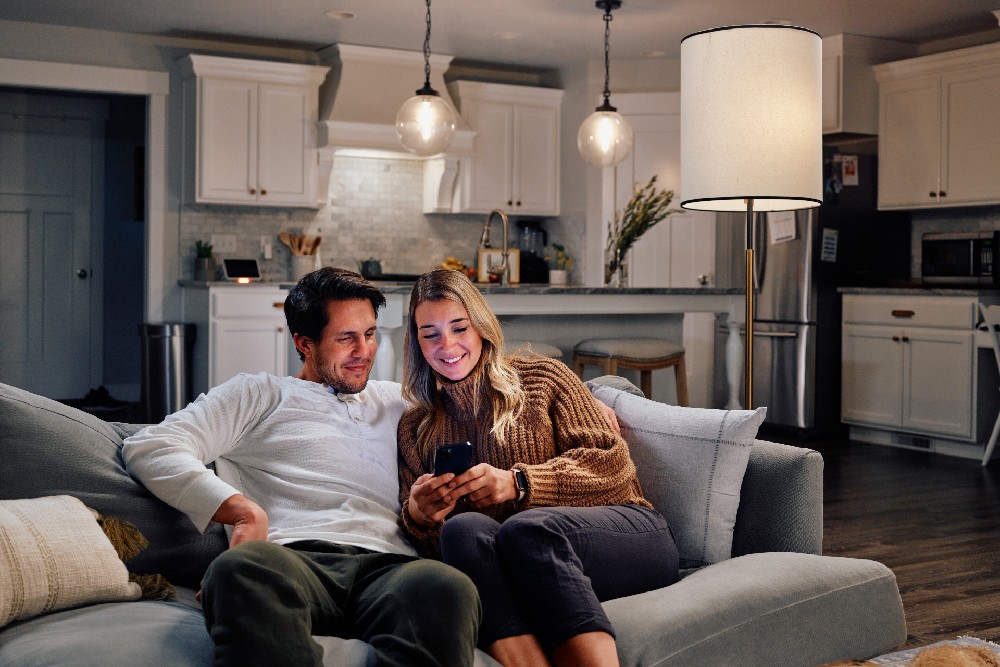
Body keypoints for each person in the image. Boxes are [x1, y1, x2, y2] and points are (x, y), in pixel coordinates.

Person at [122, 267, 480, 667]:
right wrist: (242, 512)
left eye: (370, 333)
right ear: (304, 343)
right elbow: (152, 445)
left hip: (389, 566)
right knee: (238, 569)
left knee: (448, 586)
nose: (364, 351)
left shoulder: (400, 402)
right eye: (346, 338)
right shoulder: (260, 394)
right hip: (291, 561)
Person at [397, 269, 680, 667]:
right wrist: (420, 516)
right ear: (417, 343)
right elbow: (441, 550)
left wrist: (519, 484)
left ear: (481, 326)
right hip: (521, 557)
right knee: (463, 530)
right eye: (430, 334)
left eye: (459, 327)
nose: (447, 345)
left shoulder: (542, 378)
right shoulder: (417, 426)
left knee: (528, 527)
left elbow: (612, 465)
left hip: (629, 533)